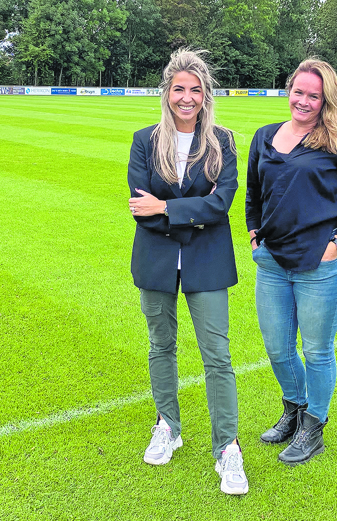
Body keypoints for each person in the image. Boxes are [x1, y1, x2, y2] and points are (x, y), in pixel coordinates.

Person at [127, 49, 247, 494]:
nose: (187, 97)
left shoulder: (224, 141)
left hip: (207, 260)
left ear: (206, 95)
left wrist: (166, 206)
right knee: (162, 345)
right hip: (156, 259)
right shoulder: (144, 140)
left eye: (196, 90)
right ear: (167, 92)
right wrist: (182, 210)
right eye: (179, 88)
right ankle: (167, 426)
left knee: (217, 355)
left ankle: (227, 450)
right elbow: (141, 209)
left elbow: (221, 205)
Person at [245, 59, 337, 466]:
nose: (303, 101)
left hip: (321, 265)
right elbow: (253, 193)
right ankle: (294, 410)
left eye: (313, 96)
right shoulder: (265, 136)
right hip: (271, 261)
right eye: (297, 92)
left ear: (325, 99)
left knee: (316, 351)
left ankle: (313, 427)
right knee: (278, 348)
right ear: (288, 91)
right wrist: (253, 235)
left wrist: (335, 244)